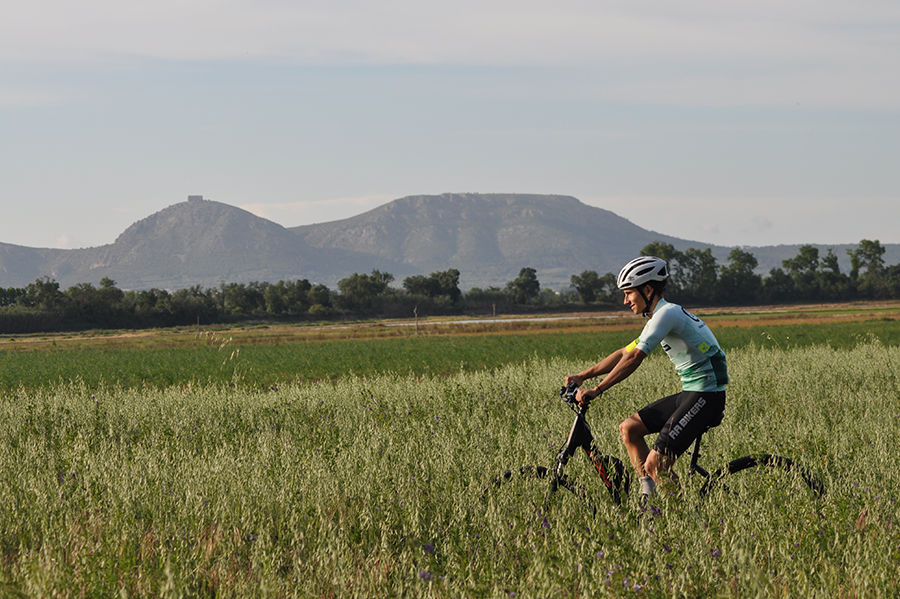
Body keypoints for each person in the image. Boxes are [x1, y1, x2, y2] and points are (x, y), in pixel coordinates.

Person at [565, 256, 728, 498]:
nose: (625, 301)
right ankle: (649, 501)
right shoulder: (659, 317)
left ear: (648, 290)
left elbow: (634, 358)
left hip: (707, 395)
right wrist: (582, 376)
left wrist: (597, 390)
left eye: (628, 293)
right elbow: (625, 352)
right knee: (629, 429)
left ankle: (682, 516)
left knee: (655, 464)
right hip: (692, 392)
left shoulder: (667, 314)